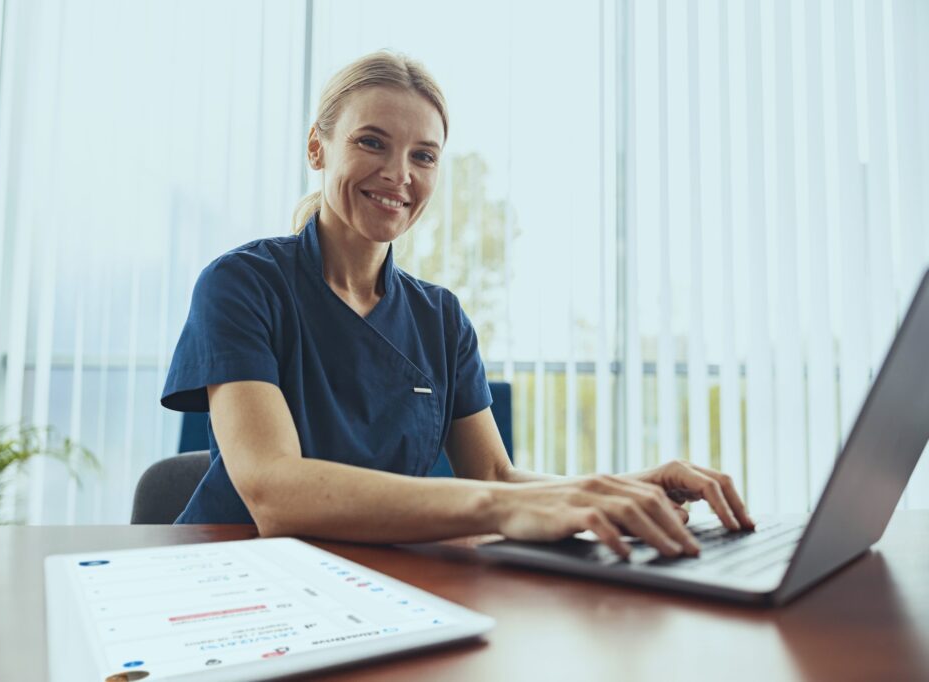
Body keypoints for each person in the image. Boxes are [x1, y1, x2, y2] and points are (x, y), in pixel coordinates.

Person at [161, 51, 754, 558]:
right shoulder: (241, 285)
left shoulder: (441, 319)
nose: (399, 175)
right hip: (235, 580)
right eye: (372, 142)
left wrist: (620, 490)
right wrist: (500, 509)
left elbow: (496, 476)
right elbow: (274, 493)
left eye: (424, 155)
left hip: (378, 583)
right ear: (318, 149)